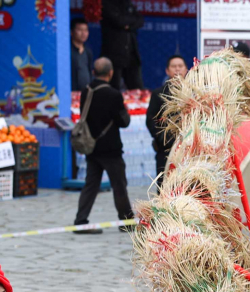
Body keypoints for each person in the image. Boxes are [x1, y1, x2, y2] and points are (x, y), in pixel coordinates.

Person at [73, 57, 133, 234]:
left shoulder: (87, 91)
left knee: (90, 185)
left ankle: (80, 221)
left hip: (92, 147)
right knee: (119, 186)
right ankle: (127, 222)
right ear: (111, 73)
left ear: (93, 72)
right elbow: (123, 122)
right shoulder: (114, 94)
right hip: (111, 148)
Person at [145, 54, 186, 179]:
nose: (177, 69)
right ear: (167, 71)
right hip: (166, 149)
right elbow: (150, 119)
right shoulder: (158, 93)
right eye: (174, 66)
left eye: (180, 66)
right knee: (164, 186)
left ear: (186, 69)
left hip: (188, 150)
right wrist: (162, 138)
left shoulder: (193, 93)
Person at [100, 0, 144, 90]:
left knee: (137, 89)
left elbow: (140, 20)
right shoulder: (107, 4)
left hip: (131, 54)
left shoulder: (128, 4)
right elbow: (120, 21)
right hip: (114, 55)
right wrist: (130, 22)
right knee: (113, 90)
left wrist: (128, 25)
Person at [71, 18, 94, 93]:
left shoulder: (88, 51)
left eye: (86, 30)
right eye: (80, 30)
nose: (83, 33)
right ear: (71, 32)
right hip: (71, 92)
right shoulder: (67, 52)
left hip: (86, 92)